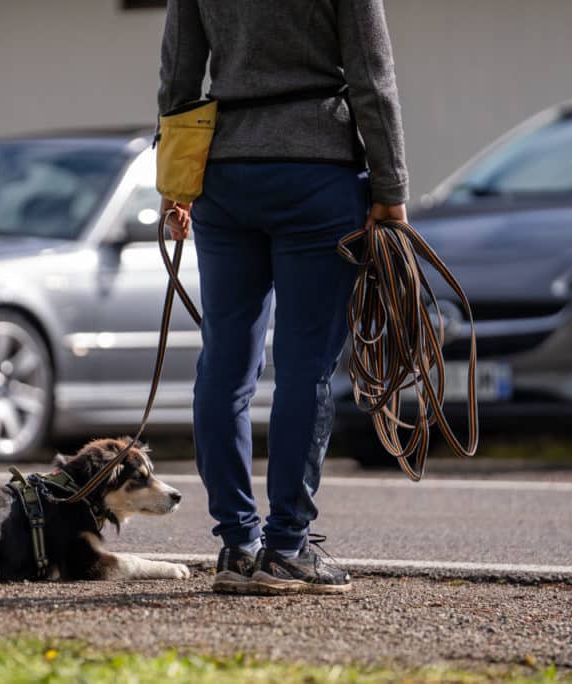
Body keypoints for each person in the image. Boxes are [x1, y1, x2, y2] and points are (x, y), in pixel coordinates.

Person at [157, 0, 408, 595]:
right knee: (306, 369)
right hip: (316, 174)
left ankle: (237, 543)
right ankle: (288, 546)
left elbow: (178, 75)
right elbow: (373, 76)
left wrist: (174, 182)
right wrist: (391, 187)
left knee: (224, 365)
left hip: (224, 172)